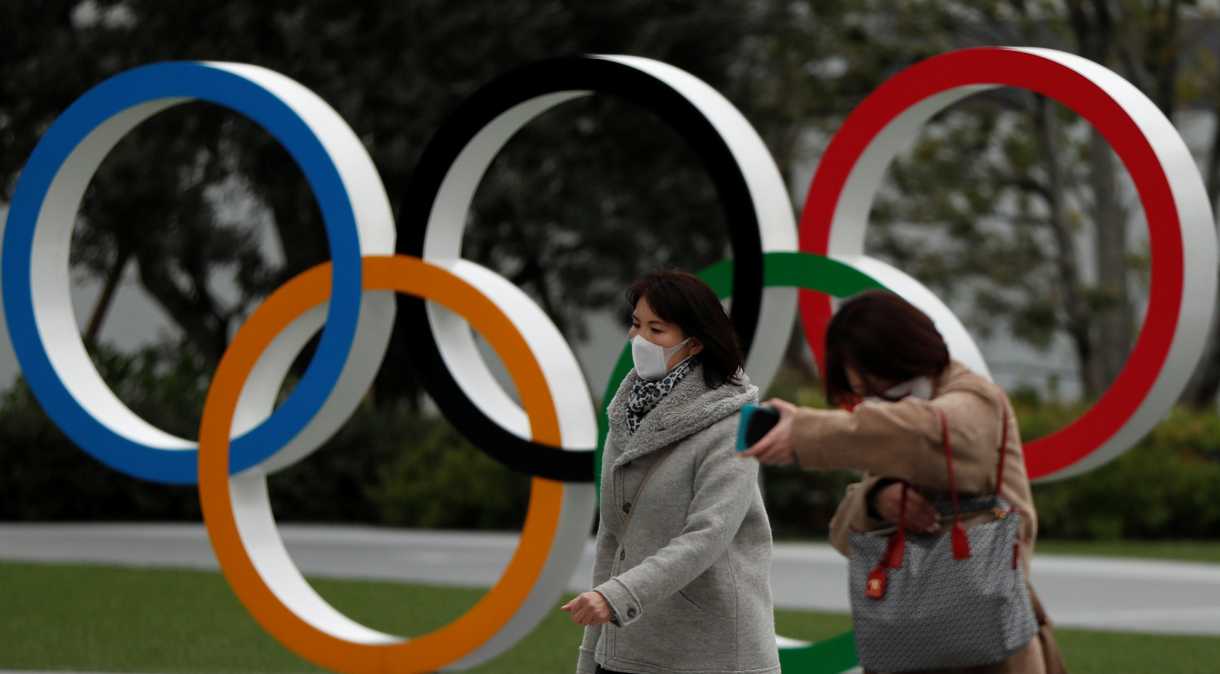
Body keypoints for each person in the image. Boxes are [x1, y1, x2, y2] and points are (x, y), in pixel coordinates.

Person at [742, 290, 1066, 674]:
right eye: (859, 393)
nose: (869, 401)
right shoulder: (890, 423)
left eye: (871, 384)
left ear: (898, 356)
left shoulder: (974, 401)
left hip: (995, 644)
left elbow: (930, 432)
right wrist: (879, 499)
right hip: (911, 646)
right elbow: (844, 533)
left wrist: (805, 432)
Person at [564, 269, 780, 674]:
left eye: (656, 329)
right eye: (636, 324)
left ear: (694, 342)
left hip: (712, 655)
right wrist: (591, 654)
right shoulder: (624, 418)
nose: (638, 339)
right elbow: (614, 538)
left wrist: (618, 596)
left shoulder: (733, 426)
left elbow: (708, 535)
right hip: (627, 650)